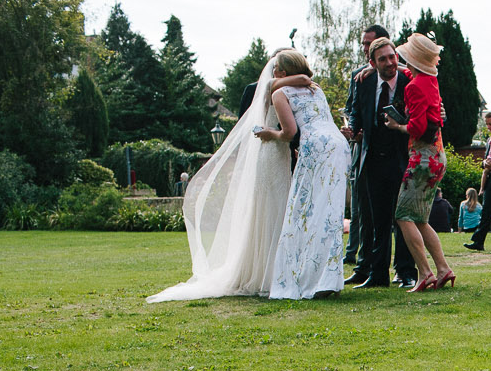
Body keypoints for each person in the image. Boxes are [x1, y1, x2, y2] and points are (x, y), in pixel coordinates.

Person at [148, 54, 293, 301]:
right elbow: (302, 78)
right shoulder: (270, 88)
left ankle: (281, 269)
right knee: (268, 209)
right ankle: (266, 273)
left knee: (279, 208)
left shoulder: (285, 89)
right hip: (271, 154)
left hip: (282, 156)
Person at [246, 49, 352, 299]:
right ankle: (329, 280)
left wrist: (267, 132)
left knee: (302, 212)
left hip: (315, 147)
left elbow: (289, 133)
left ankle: (304, 279)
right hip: (338, 145)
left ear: (281, 72)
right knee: (330, 214)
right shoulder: (316, 89)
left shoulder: (280, 93)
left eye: (275, 70)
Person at [380, 34, 453, 290]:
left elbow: (418, 127)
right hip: (437, 155)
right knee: (420, 219)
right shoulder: (429, 80)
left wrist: (398, 125)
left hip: (422, 157)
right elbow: (414, 78)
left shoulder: (413, 87)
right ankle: (443, 269)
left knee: (402, 216)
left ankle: (425, 273)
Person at [344, 36, 418, 288]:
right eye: (383, 59)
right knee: (377, 219)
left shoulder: (410, 80)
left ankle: (407, 271)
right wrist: (353, 129)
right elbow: (355, 111)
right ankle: (378, 275)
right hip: (373, 158)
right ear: (372, 63)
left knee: (404, 217)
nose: (390, 62)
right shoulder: (363, 83)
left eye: (392, 56)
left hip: (403, 158)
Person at [343, 23, 387, 267]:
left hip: (388, 147)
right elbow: (352, 107)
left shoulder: (397, 73)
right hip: (362, 145)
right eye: (363, 43)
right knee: (359, 203)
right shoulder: (358, 75)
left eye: (368, 43)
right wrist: (352, 126)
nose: (364, 48)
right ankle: (356, 256)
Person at [464, 112, 491, 251]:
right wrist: (484, 163)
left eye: (490, 124)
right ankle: (478, 241)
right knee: (487, 209)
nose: (488, 127)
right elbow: (488, 157)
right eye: (486, 124)